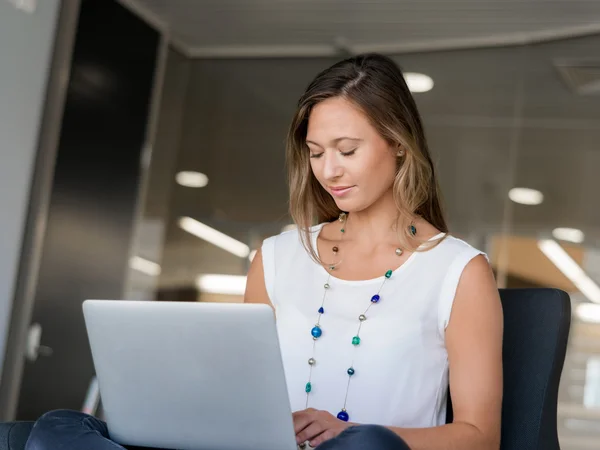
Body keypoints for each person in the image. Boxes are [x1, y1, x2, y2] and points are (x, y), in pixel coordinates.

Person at [25, 53, 503, 450]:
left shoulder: (458, 270)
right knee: (55, 430)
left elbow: (479, 437)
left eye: (347, 149)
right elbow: (244, 395)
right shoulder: (275, 257)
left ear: (398, 145)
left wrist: (351, 432)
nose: (329, 170)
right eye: (316, 153)